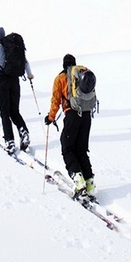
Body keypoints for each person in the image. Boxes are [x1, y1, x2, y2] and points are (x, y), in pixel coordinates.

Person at [45, 54, 95, 198]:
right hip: (86, 115)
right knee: (81, 150)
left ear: (63, 65)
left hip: (72, 115)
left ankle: (78, 180)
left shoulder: (60, 78)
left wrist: (50, 117)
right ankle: (90, 182)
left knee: (67, 148)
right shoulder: (81, 76)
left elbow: (55, 100)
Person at [0, 27, 33, 153]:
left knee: (4, 112)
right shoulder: (14, 47)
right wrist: (30, 75)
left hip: (3, 80)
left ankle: (10, 141)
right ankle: (23, 132)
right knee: (14, 111)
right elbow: (25, 63)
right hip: (15, 81)